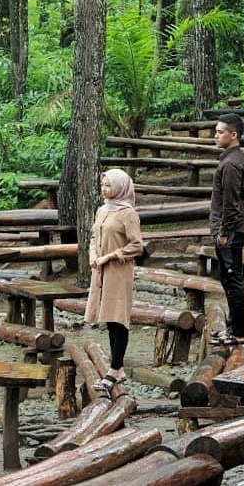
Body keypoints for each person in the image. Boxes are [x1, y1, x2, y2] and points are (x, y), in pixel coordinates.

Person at [85, 168, 144, 396]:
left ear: (120, 187)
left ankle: (115, 369)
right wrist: (93, 256)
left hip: (118, 271)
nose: (104, 189)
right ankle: (116, 368)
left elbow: (137, 244)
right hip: (100, 271)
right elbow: (93, 236)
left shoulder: (128, 213)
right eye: (103, 185)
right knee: (108, 317)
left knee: (119, 318)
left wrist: (111, 256)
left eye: (108, 185)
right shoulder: (102, 211)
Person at [209, 113, 244, 346]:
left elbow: (231, 201)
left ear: (233, 135)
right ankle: (236, 328)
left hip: (232, 230)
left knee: (232, 279)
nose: (215, 136)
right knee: (231, 280)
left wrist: (224, 232)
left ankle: (237, 333)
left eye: (219, 132)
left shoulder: (232, 163)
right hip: (233, 228)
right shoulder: (233, 159)